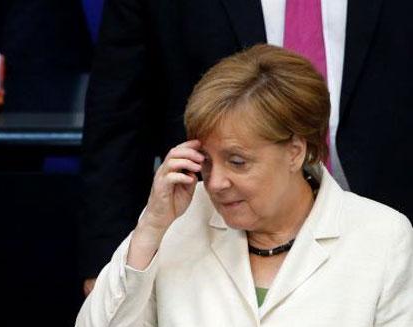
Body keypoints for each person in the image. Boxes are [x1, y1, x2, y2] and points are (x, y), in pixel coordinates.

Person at [71, 45, 413, 327]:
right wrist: (150, 229)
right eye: (206, 162)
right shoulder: (178, 220)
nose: (215, 183)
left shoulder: (380, 235)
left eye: (237, 162)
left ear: (296, 151)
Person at [80, 0, 413, 296]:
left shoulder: (389, 235)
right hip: (216, 239)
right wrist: (107, 261)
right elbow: (118, 116)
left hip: (391, 221)